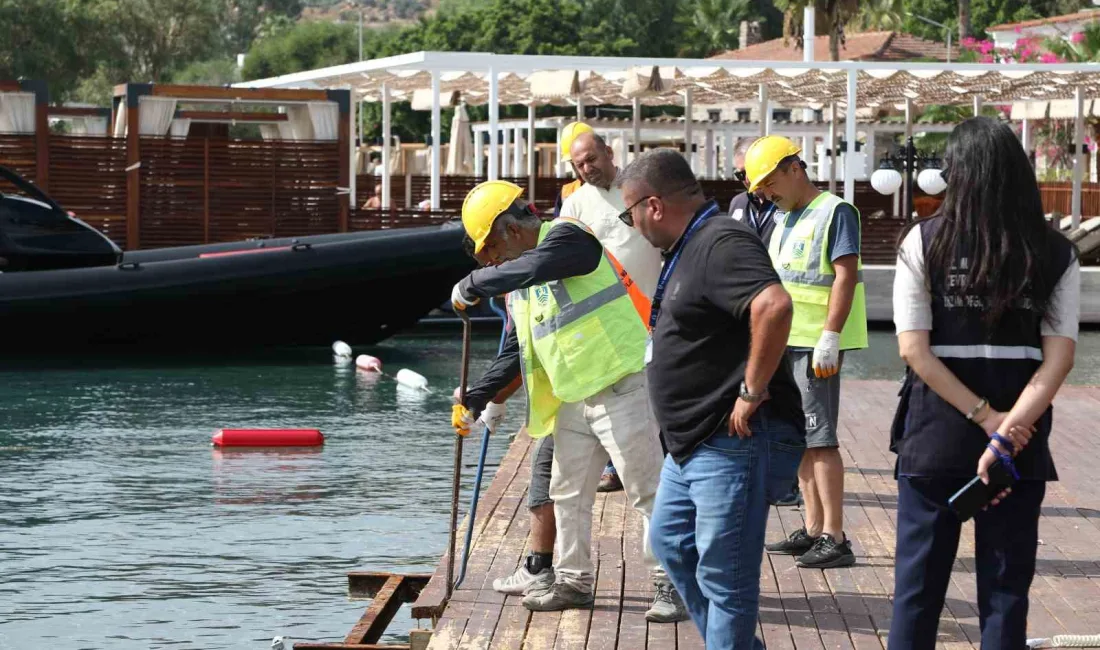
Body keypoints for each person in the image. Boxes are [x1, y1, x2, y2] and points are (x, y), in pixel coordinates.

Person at [450, 180, 687, 622]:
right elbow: (517, 353)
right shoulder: (522, 282)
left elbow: (538, 264)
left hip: (621, 384)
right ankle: (573, 581)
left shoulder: (568, 237)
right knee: (567, 493)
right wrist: (477, 397)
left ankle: (669, 583)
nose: (497, 261)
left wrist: (475, 281)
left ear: (511, 228)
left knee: (647, 491)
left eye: (494, 250)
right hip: (573, 397)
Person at [887, 117, 1079, 650]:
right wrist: (1009, 428)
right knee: (1004, 589)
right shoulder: (1055, 251)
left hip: (936, 437)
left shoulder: (923, 242)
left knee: (918, 589)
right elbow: (1059, 359)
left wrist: (986, 419)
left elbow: (913, 350)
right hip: (1021, 443)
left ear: (958, 173)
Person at [615, 148, 806, 649]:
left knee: (726, 579)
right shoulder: (688, 243)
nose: (631, 224)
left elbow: (773, 304)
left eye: (629, 212)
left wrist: (751, 391)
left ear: (653, 205)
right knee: (672, 547)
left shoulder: (720, 239)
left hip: (731, 439)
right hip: (692, 443)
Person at [745, 135, 867, 569]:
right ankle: (814, 528)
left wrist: (831, 335)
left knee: (821, 438)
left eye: (768, 183)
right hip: (785, 340)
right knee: (799, 437)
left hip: (816, 344)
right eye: (758, 189)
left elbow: (844, 276)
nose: (765, 194)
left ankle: (835, 535)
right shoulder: (785, 217)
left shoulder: (836, 212)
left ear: (793, 168)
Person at [561, 129, 665, 492]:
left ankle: (661, 463)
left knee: (655, 390)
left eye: (591, 159)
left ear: (609, 151)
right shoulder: (575, 204)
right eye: (579, 164)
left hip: (652, 308)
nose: (587, 168)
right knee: (611, 393)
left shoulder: (639, 187)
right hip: (603, 318)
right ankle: (613, 464)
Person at [729, 136, 802, 508]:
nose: (747, 181)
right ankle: (761, 473)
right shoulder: (739, 205)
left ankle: (787, 480)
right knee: (756, 390)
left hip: (783, 309)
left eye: (752, 173)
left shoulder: (787, 205)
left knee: (786, 395)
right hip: (748, 309)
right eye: (740, 174)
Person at [728, 137, 778, 244]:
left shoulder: (788, 201)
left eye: (752, 170)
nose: (748, 179)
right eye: (741, 174)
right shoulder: (738, 203)